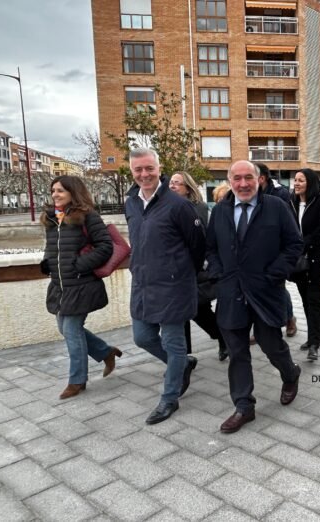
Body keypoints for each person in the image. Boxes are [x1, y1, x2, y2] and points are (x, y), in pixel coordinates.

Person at [206, 160, 303, 434]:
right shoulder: (220, 211)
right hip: (231, 293)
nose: (243, 183)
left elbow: (294, 244)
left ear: (258, 179)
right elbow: (210, 247)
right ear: (230, 181)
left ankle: (290, 373)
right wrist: (218, 274)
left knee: (271, 344)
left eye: (248, 177)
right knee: (237, 352)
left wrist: (274, 273)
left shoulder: (276, 207)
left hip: (265, 291)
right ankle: (243, 406)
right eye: (237, 178)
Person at [125, 148, 206, 425]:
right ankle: (182, 362)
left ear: (159, 169)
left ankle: (170, 398)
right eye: (138, 169)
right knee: (142, 337)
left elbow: (198, 245)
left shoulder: (178, 205)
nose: (144, 174)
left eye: (149, 168)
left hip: (174, 286)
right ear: (132, 171)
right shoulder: (131, 203)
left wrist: (179, 272)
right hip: (143, 284)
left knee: (173, 342)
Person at [40, 175, 120, 400]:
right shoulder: (52, 217)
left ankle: (77, 380)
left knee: (72, 330)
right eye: (53, 190)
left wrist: (79, 265)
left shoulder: (88, 216)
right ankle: (105, 352)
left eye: (60, 191)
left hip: (81, 284)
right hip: (61, 284)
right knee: (64, 328)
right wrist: (47, 262)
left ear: (73, 193)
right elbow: (52, 247)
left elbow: (105, 246)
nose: (55, 194)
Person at [169, 171, 228, 362]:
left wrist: (209, 262)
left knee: (199, 310)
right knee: (181, 314)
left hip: (198, 268)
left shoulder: (201, 209)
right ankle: (183, 357)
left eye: (177, 183)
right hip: (174, 269)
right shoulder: (165, 207)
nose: (172, 186)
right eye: (171, 182)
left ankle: (223, 338)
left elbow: (212, 237)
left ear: (188, 188)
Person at [289, 168, 320, 361]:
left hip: (314, 260)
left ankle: (314, 343)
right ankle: (314, 337)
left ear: (310, 183)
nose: (296, 183)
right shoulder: (291, 201)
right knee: (305, 300)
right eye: (295, 180)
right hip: (298, 262)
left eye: (301, 180)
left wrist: (301, 244)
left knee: (314, 300)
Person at [255, 162, 297, 337]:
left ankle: (289, 319)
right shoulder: (251, 193)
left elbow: (288, 225)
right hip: (256, 250)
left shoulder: (280, 194)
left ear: (261, 178)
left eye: (250, 176)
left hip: (276, 249)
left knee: (278, 287)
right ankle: (261, 326)